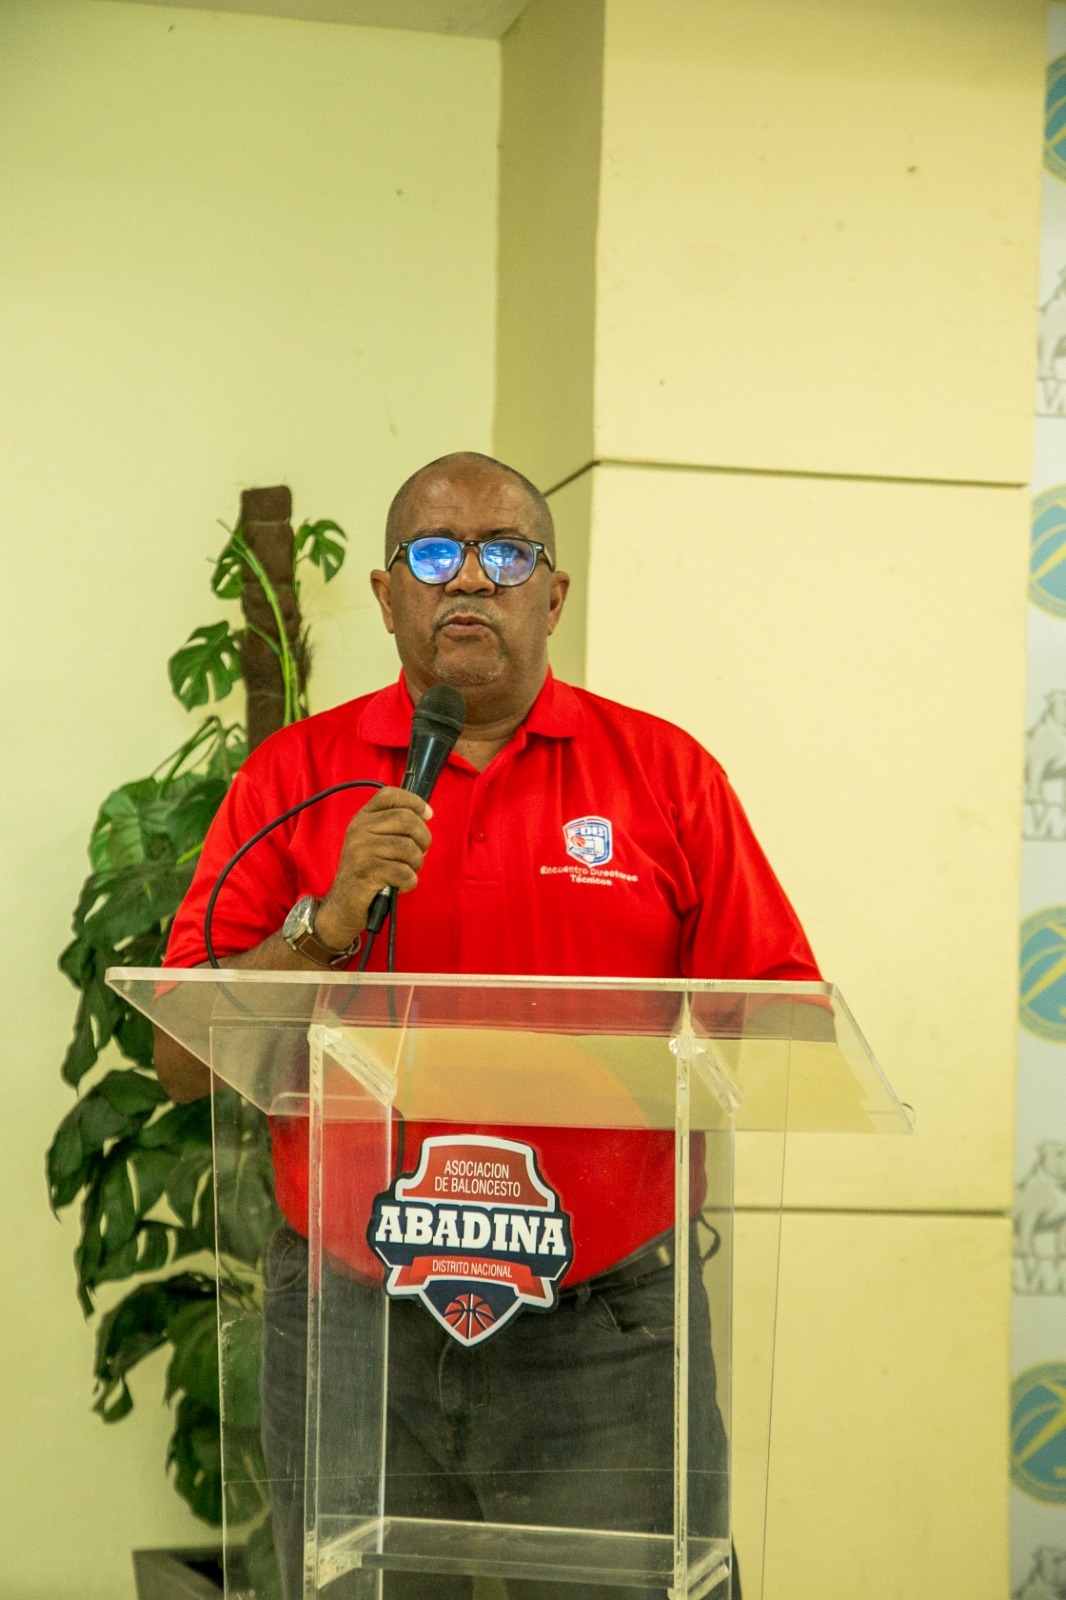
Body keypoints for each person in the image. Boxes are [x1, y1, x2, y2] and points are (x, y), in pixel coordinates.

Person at [157, 451, 821, 1600]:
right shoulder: (293, 776)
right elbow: (181, 1057)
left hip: (600, 1330)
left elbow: (779, 1030)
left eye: (505, 553)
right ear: (386, 595)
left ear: (552, 595)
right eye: (434, 553)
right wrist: (325, 924)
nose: (469, 578)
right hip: (354, 1319)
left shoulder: (666, 776)